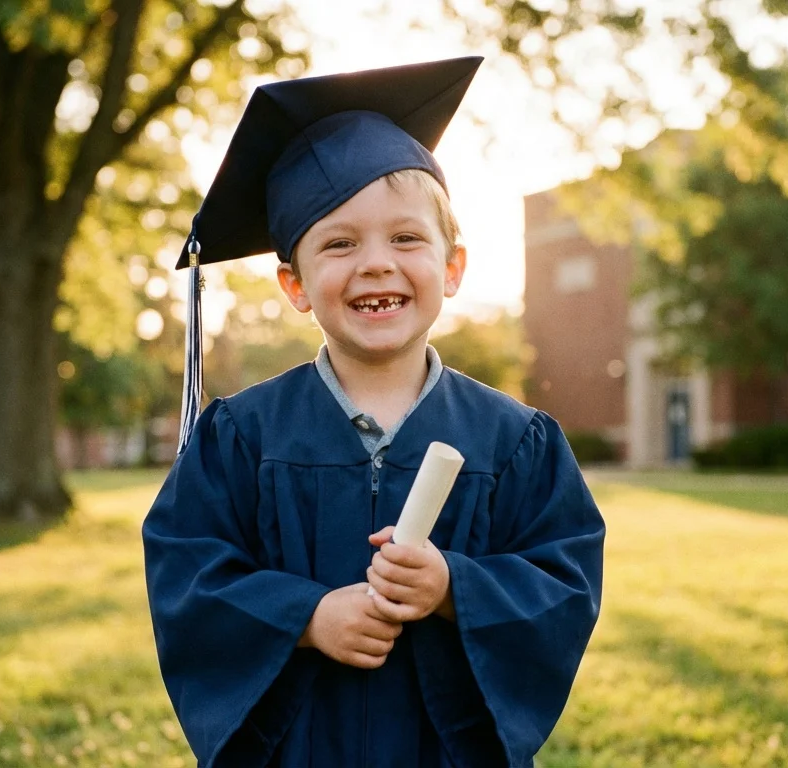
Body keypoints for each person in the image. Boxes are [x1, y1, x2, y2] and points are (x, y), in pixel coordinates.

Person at [142, 56, 605, 768]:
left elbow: (564, 582)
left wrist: (456, 586)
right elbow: (186, 574)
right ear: (295, 285)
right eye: (339, 243)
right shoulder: (241, 437)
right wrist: (307, 616)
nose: (377, 264)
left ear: (453, 268)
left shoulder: (516, 442)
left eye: (407, 238)